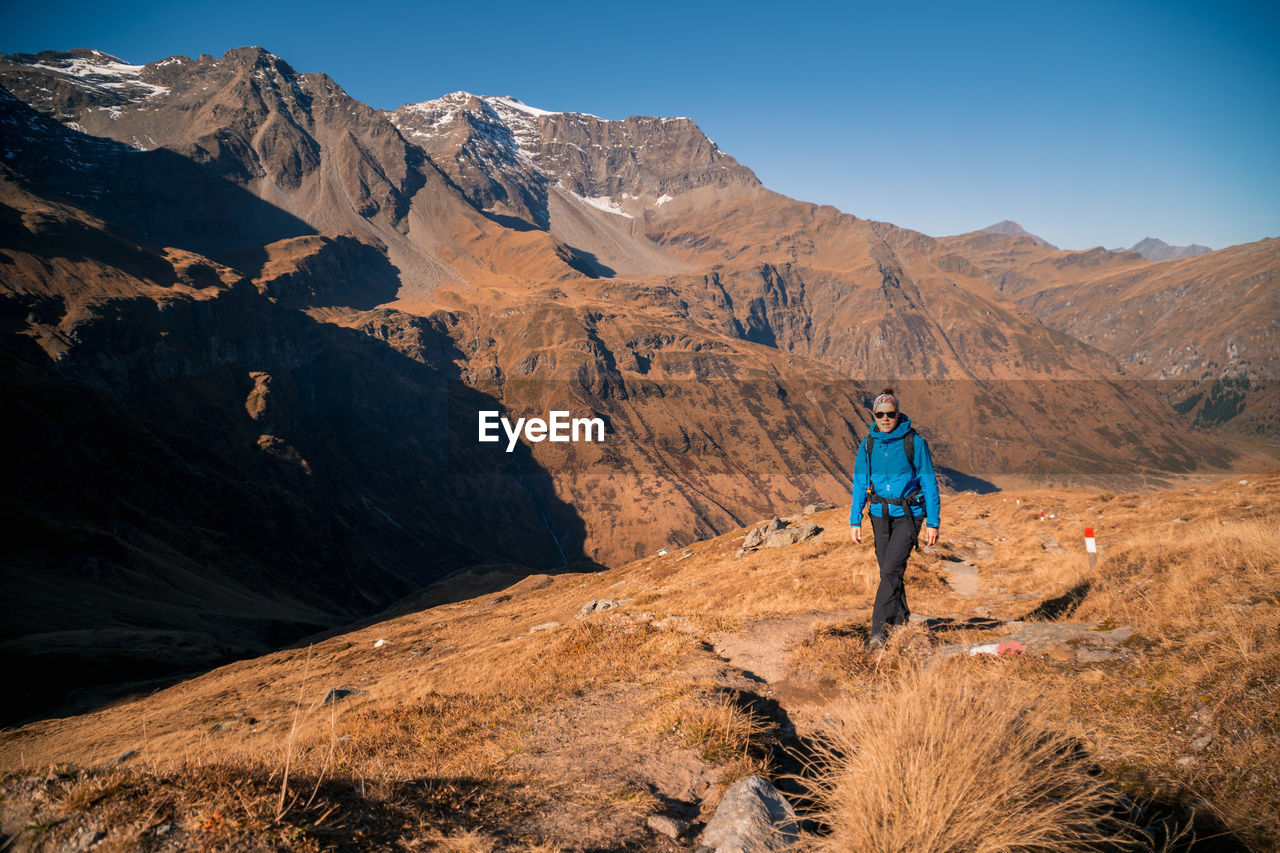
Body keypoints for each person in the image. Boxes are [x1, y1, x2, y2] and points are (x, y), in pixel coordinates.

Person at [849, 388, 941, 648]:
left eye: (890, 414)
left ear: (898, 414)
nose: (885, 419)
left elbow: (929, 482)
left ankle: (878, 631)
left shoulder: (915, 442)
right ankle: (901, 619)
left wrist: (933, 522)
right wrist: (855, 520)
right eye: (880, 414)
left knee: (891, 570)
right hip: (879, 514)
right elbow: (859, 482)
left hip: (909, 515)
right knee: (888, 571)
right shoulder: (868, 444)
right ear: (874, 415)